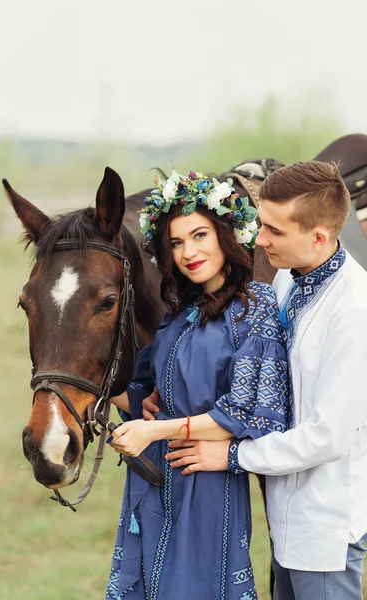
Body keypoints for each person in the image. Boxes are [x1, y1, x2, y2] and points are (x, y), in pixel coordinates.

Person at [157, 161, 367, 600]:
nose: (260, 239)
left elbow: (327, 437)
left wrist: (232, 455)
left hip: (325, 525)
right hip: (286, 514)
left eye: (273, 230)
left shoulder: (353, 312)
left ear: (319, 238)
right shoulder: (291, 279)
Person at [104, 169, 289, 600]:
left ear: (225, 234)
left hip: (204, 481)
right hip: (152, 482)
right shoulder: (179, 311)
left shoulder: (254, 310)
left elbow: (244, 415)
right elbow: (145, 390)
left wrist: (156, 430)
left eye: (200, 235)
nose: (189, 252)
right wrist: (83, 383)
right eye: (176, 242)